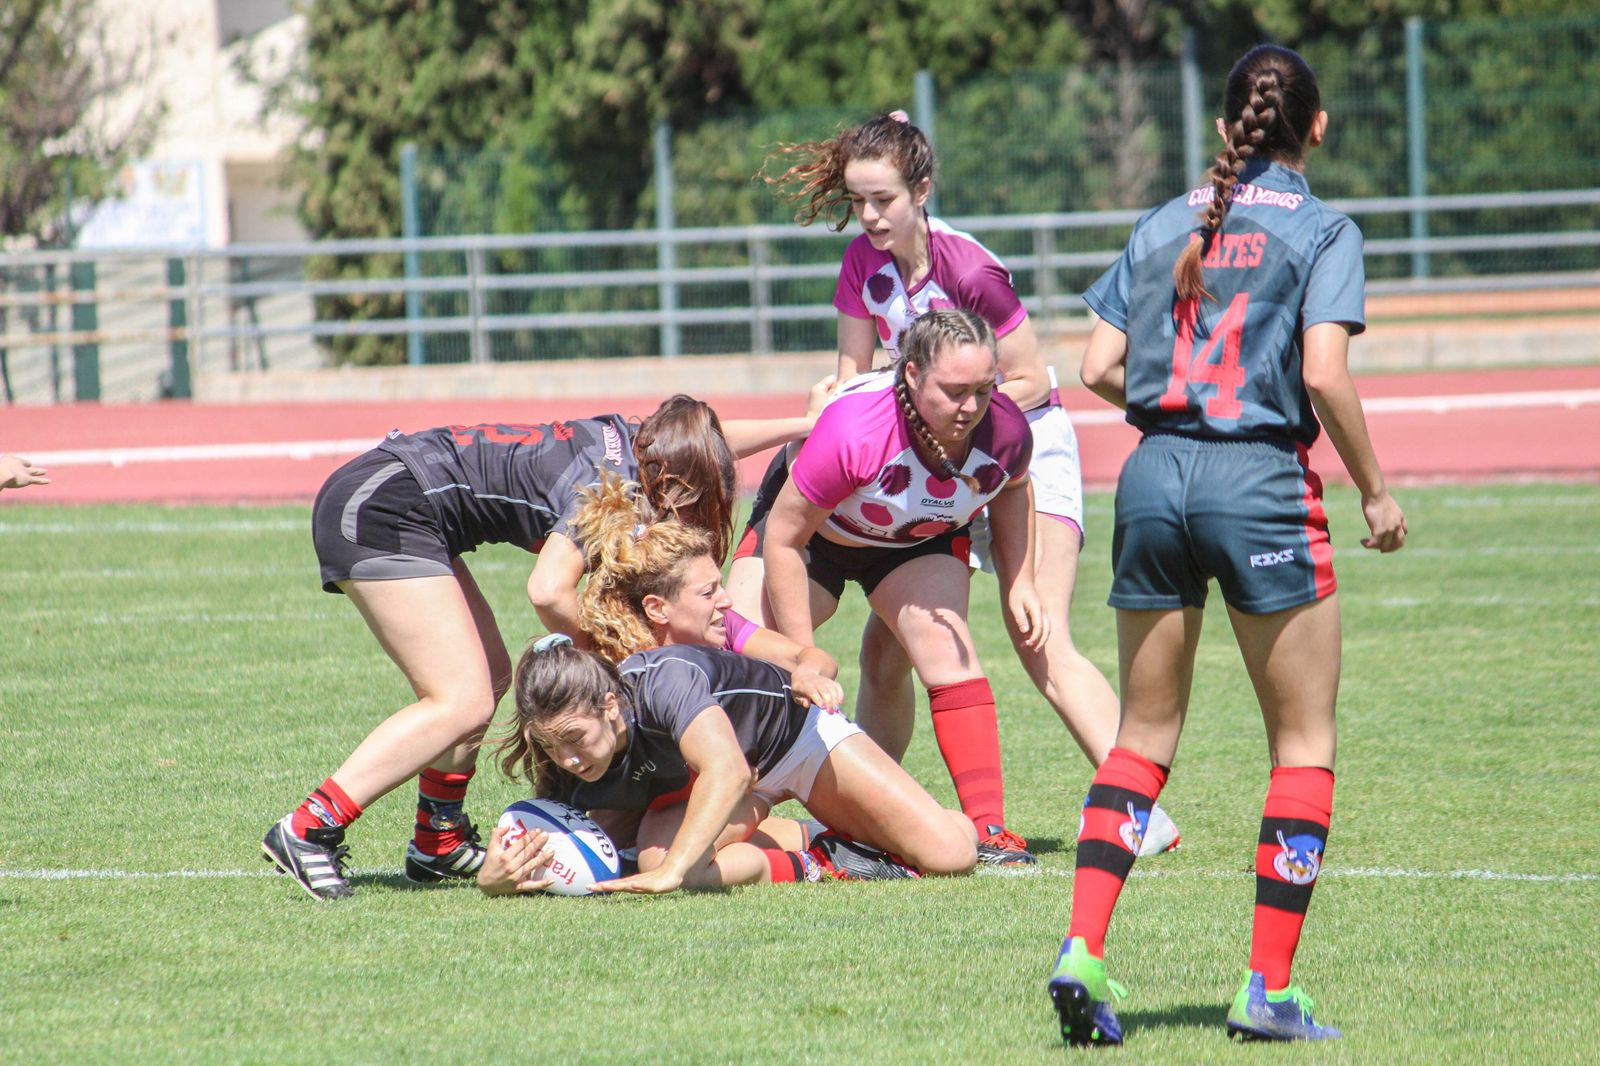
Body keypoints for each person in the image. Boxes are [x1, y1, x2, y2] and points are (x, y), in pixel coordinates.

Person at [1044, 44, 1407, 1046]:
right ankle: (1268, 991)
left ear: (1222, 130)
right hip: (1258, 482)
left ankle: (1081, 950)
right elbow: (1324, 375)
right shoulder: (1325, 229)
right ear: (1318, 127)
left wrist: (1178, 414)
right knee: (1302, 743)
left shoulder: (1167, 220)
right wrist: (1376, 492)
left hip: (1153, 475)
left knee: (1140, 738)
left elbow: (1098, 365)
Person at [728, 111, 1179, 858]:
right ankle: (865, 814)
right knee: (885, 652)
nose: (869, 217)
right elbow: (851, 376)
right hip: (921, 449)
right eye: (858, 201)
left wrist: (949, 417)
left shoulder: (969, 271)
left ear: (922, 191)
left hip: (1011, 447)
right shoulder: (861, 263)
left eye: (883, 200)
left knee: (1038, 629)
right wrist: (868, 411)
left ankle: (1137, 804)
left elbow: (1029, 382)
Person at [260, 395, 813, 901]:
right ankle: (308, 828)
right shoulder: (612, 484)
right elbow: (548, 590)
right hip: (385, 506)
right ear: (673, 483)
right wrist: (613, 654)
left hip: (397, 495)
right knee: (462, 700)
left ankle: (438, 839)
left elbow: (712, 438)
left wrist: (806, 424)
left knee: (491, 675)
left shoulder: (648, 445)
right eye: (693, 501)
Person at [753, 308, 1046, 865]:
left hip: (914, 539)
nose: (971, 407)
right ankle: (701, 806)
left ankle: (986, 829)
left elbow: (1013, 488)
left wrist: (1021, 582)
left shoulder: (1006, 428)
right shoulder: (856, 429)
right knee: (746, 646)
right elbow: (785, 539)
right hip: (813, 536)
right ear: (911, 374)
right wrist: (803, 656)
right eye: (954, 391)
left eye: (984, 390)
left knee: (942, 650)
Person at [481, 635, 978, 894]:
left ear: (610, 705)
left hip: (795, 740)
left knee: (951, 854)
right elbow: (546, 832)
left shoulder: (665, 681)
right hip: (731, 783)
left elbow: (729, 770)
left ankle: (935, 824)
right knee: (654, 861)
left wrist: (673, 870)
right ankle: (818, 857)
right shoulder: (562, 751)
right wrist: (495, 877)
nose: (567, 759)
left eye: (574, 740)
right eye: (550, 747)